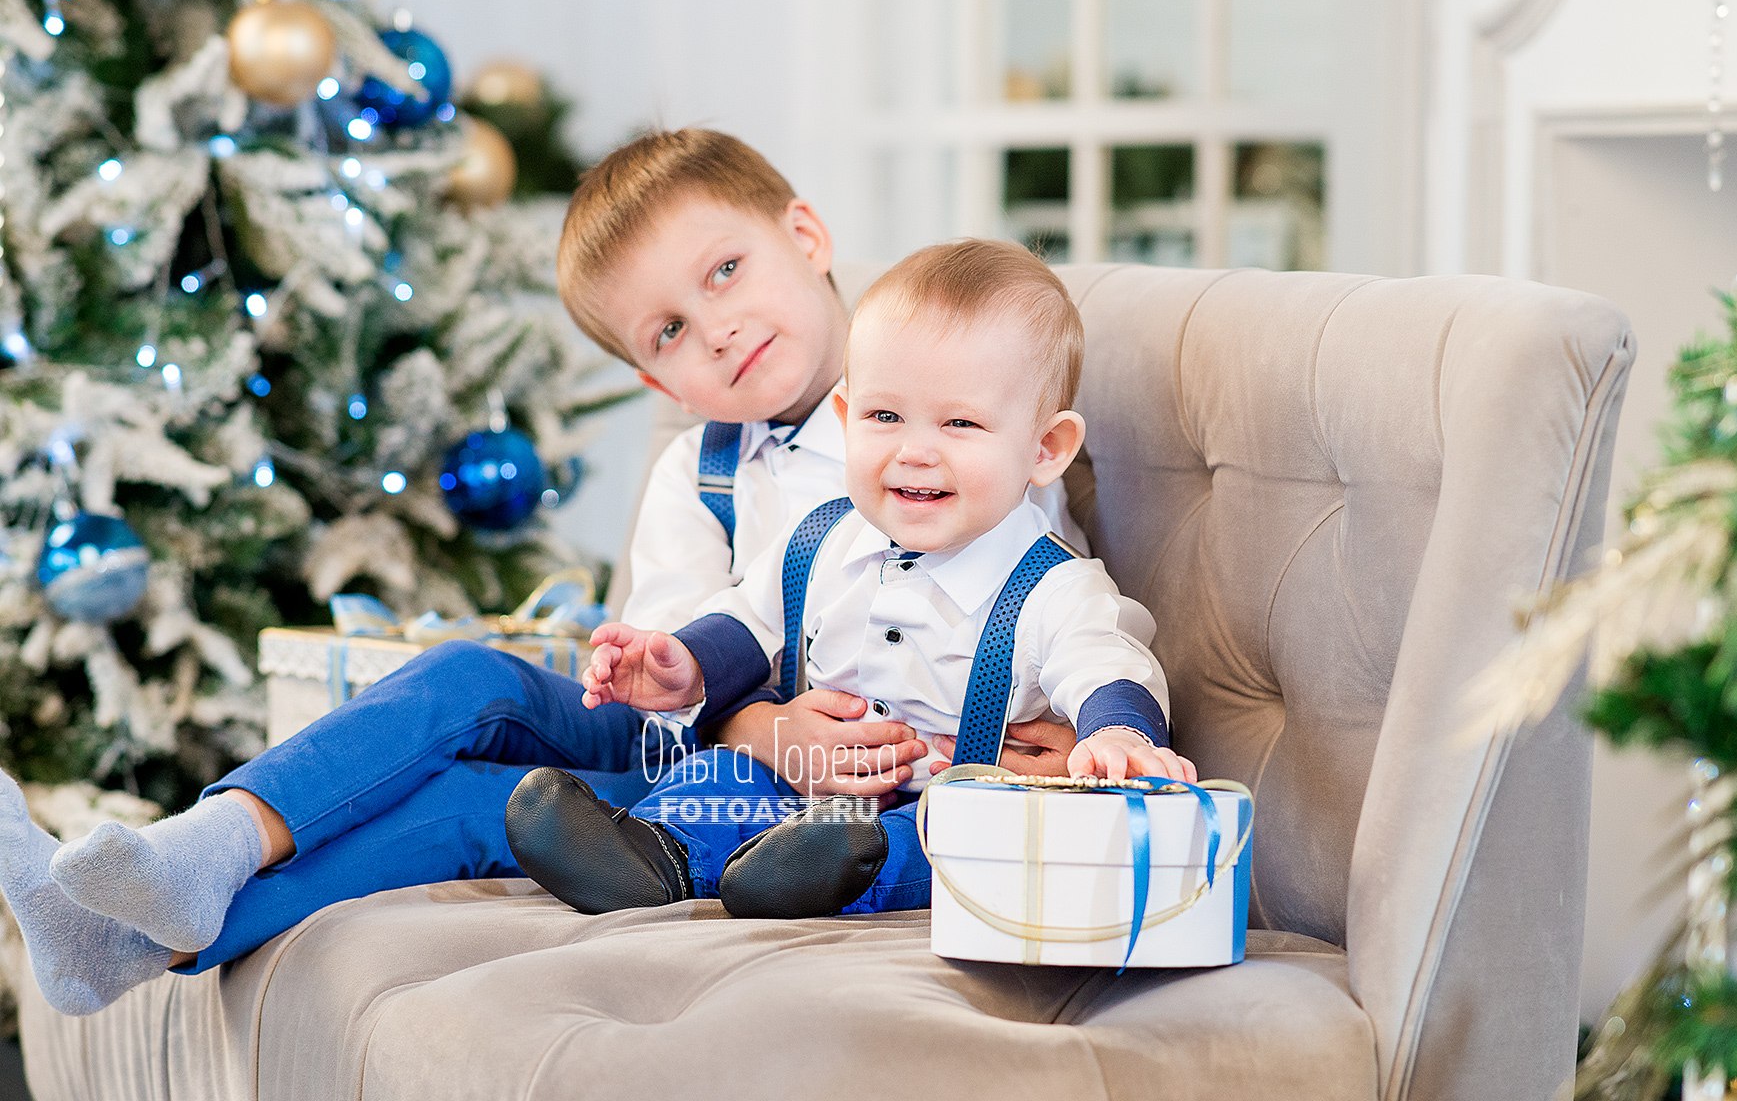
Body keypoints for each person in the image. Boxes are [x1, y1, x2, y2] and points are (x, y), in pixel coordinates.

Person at [0, 130, 1082, 1017]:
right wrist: (751, 719)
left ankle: (121, 944)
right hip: (710, 731)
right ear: (650, 373)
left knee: (483, 808)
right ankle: (209, 841)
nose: (721, 328)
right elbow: (671, 697)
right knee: (472, 678)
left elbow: (1043, 614)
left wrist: (1065, 742)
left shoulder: (964, 408)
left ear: (803, 235)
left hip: (820, 785)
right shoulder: (697, 476)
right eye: (670, 329)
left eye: (725, 270)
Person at [505, 239, 1195, 922]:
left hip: (939, 806)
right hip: (802, 782)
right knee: (724, 777)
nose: (914, 451)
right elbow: (748, 622)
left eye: (960, 422)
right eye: (884, 417)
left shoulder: (1056, 588)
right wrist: (683, 666)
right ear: (847, 419)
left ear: (1044, 449)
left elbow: (1109, 669)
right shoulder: (822, 536)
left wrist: (1122, 740)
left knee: (962, 831)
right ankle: (653, 856)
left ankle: (815, 876)